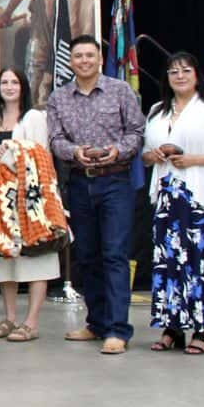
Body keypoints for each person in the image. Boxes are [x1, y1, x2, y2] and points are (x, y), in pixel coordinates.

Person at [47, 34, 144, 355]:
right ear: (71, 61)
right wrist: (76, 152)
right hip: (79, 181)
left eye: (90, 55)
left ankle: (118, 329)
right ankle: (97, 322)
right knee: (87, 256)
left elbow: (137, 132)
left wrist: (117, 151)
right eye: (78, 56)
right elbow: (56, 139)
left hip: (115, 181)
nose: (84, 61)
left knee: (114, 255)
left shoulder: (120, 90)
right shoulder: (59, 98)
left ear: (100, 59)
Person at [141, 52, 204, 355]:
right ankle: (172, 326)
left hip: (201, 200)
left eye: (185, 70)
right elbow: (145, 155)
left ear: (197, 75)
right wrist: (154, 155)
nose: (179, 76)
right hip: (167, 199)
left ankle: (203, 329)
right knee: (169, 265)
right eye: (173, 72)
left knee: (203, 265)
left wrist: (193, 160)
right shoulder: (157, 110)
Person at [0, 68, 59, 342]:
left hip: (30, 198)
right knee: (4, 260)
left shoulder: (34, 117)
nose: (9, 87)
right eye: (4, 82)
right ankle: (10, 317)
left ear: (23, 87)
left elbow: (40, 154)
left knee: (37, 258)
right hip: (0, 199)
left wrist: (13, 150)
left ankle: (32, 322)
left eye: (14, 82)